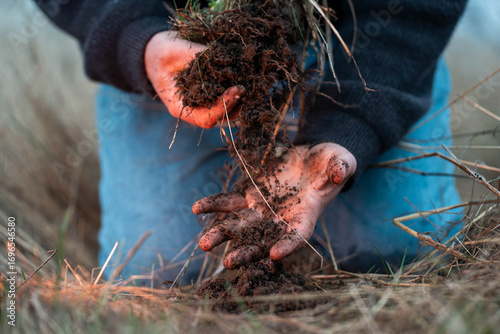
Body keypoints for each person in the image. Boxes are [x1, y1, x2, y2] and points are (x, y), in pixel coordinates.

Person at [35, 0, 468, 283]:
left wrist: (350, 126)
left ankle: (383, 102)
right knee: (152, 271)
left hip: (366, 47)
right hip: (173, 50)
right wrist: (137, 40)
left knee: (403, 251)